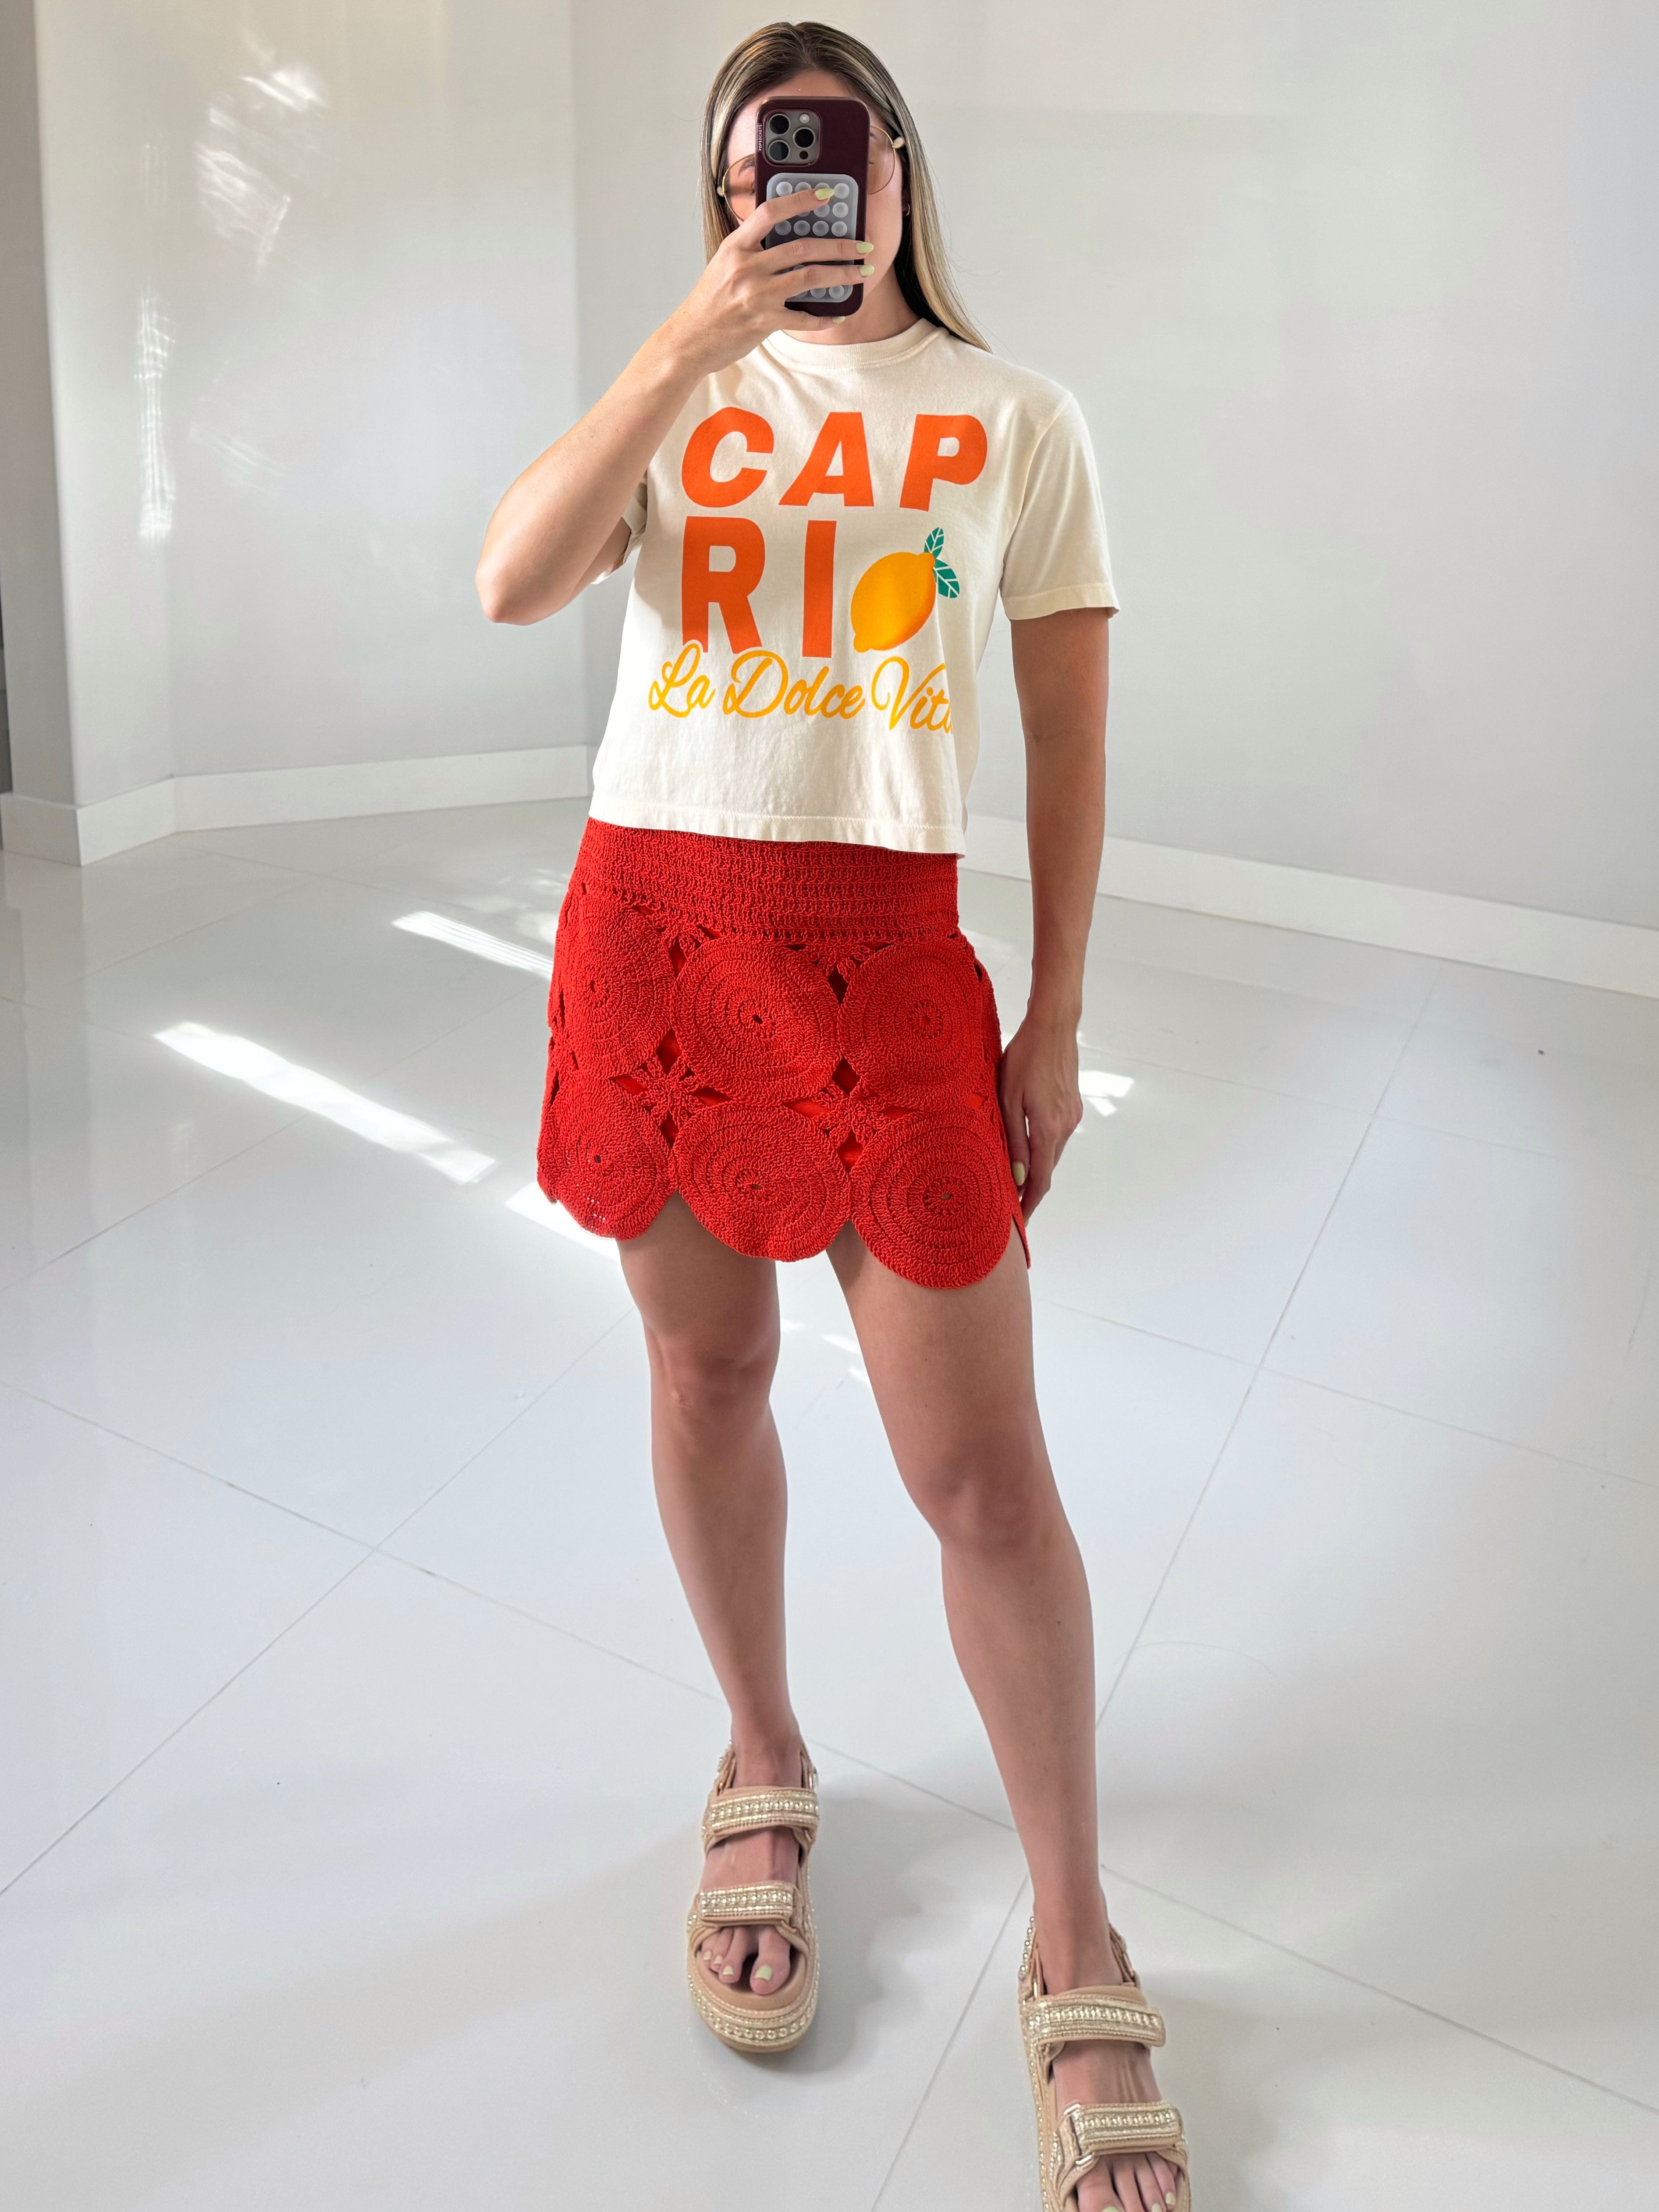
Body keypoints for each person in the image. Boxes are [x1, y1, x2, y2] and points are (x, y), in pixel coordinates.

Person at [477, 22, 1187, 2212]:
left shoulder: (1016, 417)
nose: (799, 186)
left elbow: (1065, 744)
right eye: (755, 165)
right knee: (705, 1373)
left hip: (884, 959)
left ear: (896, 171)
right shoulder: (679, 391)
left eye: (833, 149)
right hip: (652, 935)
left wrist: (1053, 1017)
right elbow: (510, 578)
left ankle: (1074, 1933)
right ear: (721, 199)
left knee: (982, 1477)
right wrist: (682, 343)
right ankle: (762, 1757)